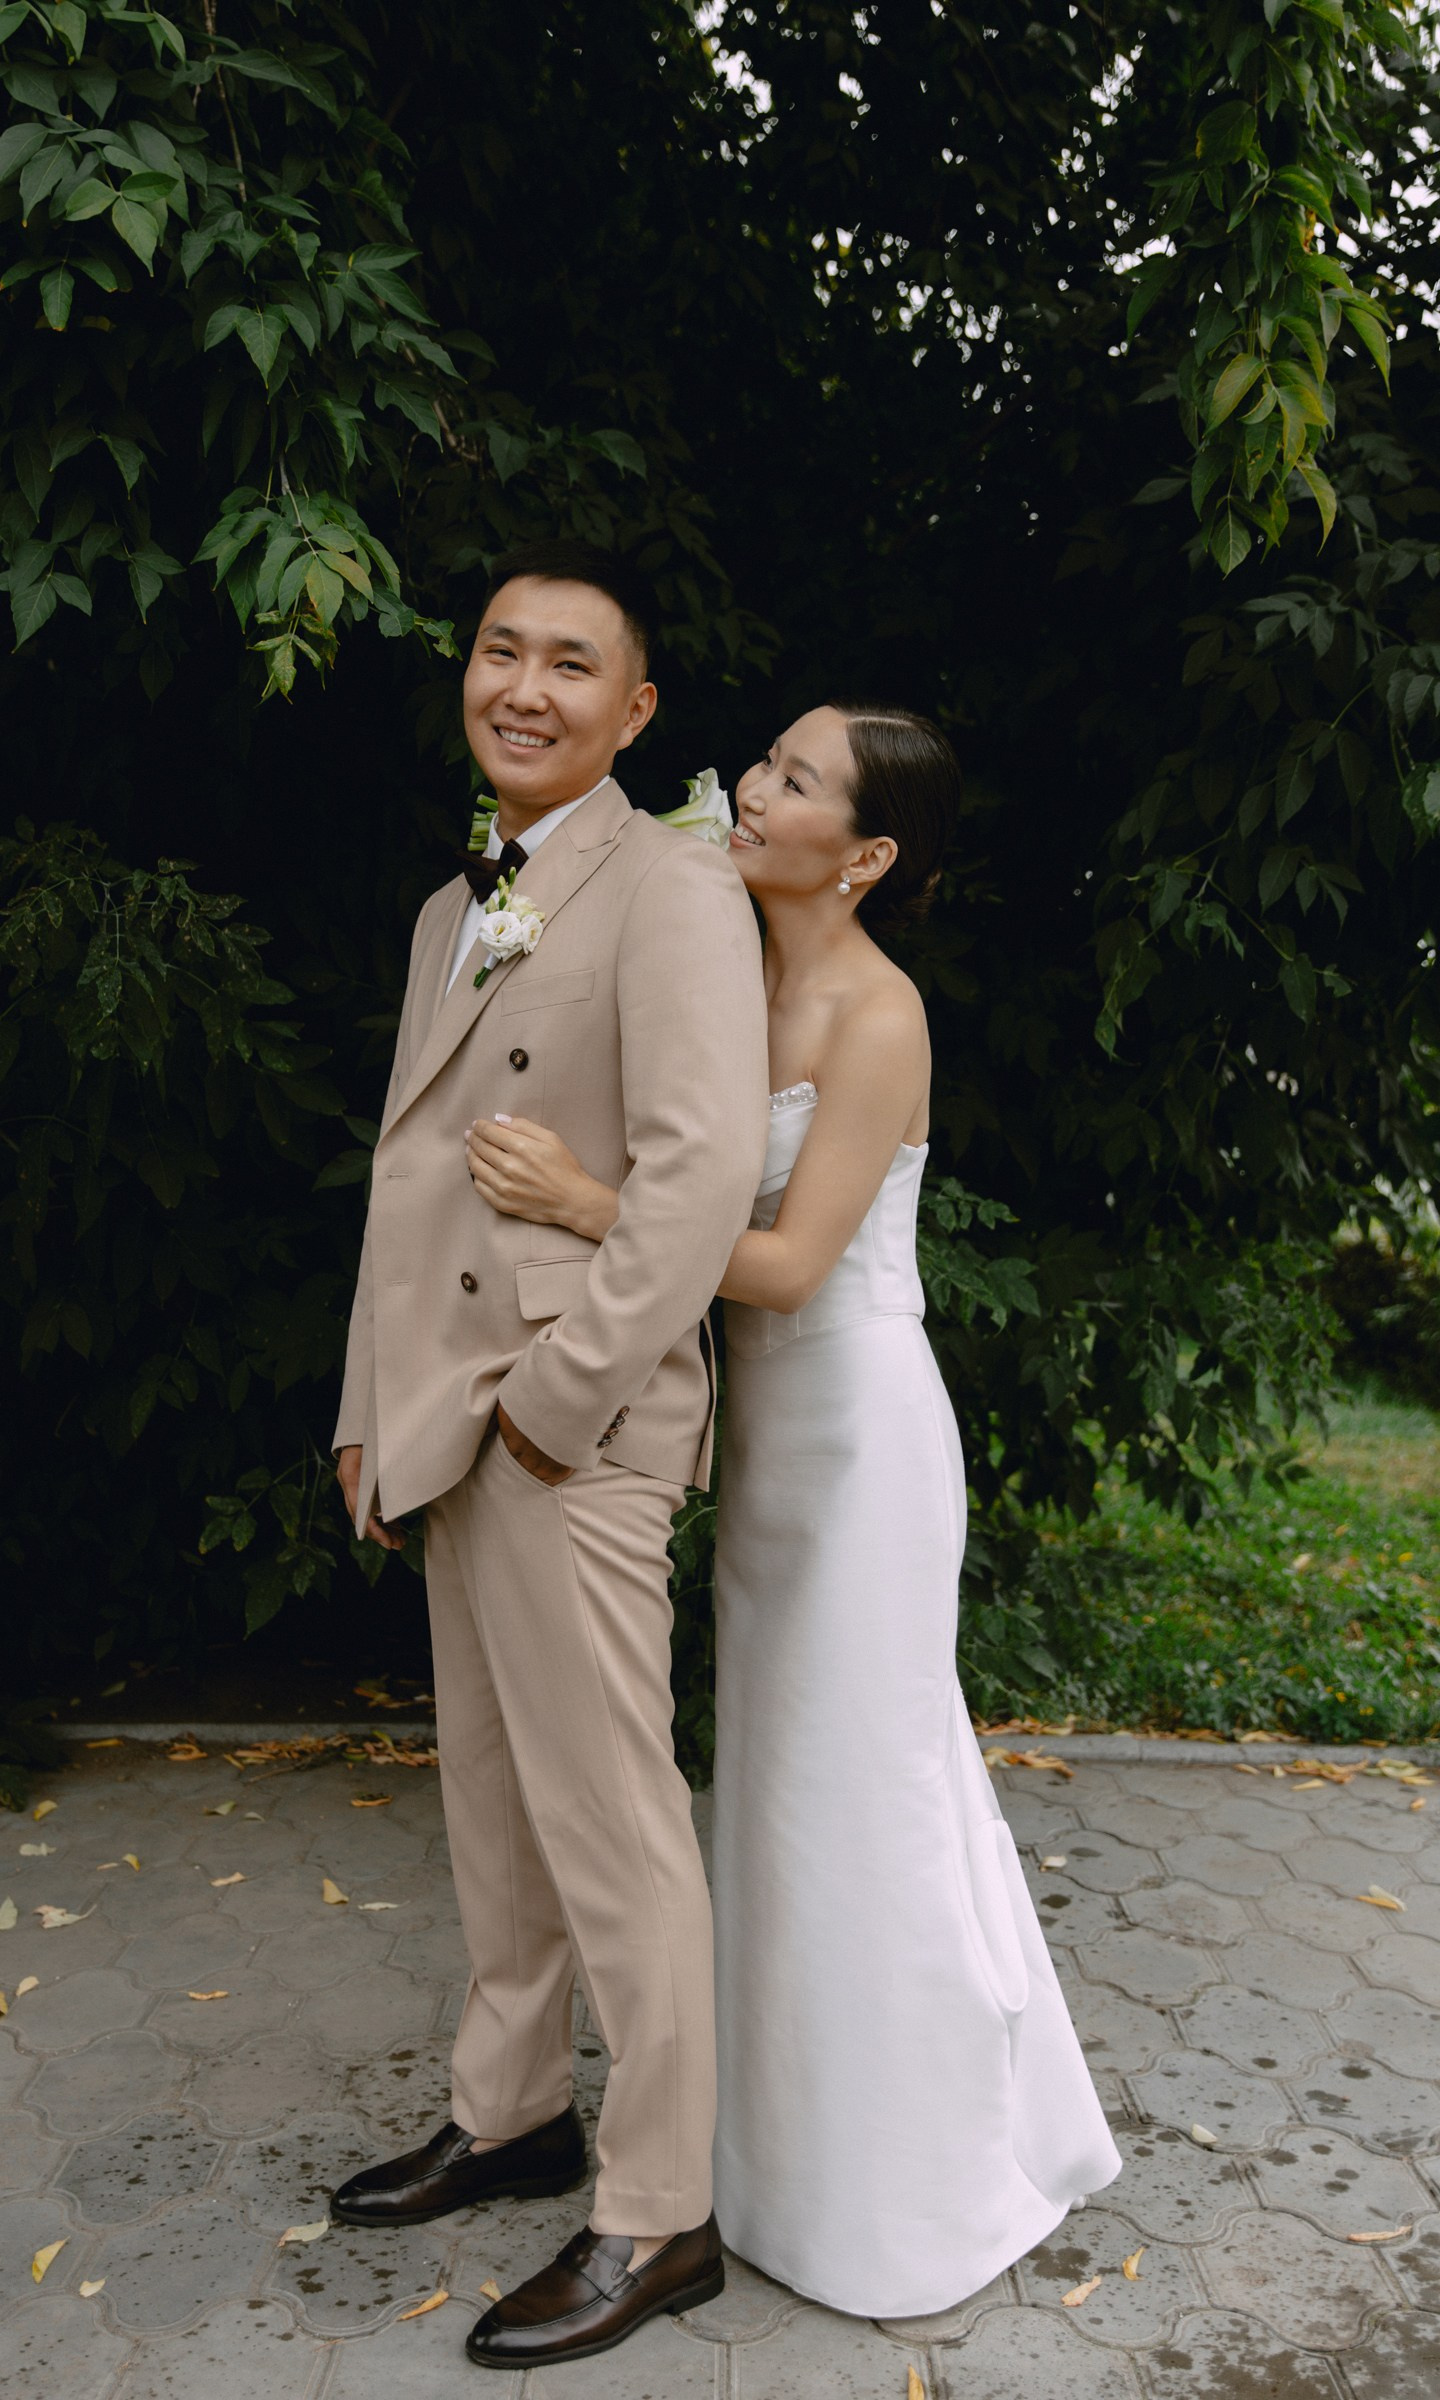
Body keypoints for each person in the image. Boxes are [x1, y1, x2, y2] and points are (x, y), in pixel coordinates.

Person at [464, 700, 1123, 2318]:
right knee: (773, 1796)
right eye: (765, 763)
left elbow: (782, 1263)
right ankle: (763, 2163)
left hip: (861, 1443)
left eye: (798, 782)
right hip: (763, 1446)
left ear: (869, 853)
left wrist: (590, 1205)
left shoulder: (876, 1013)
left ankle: (905, 2186)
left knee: (861, 1791)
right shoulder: (731, 972)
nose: (752, 791)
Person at [328, 539, 769, 2368]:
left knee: (612, 1825)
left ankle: (661, 2213)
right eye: (500, 650)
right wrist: (372, 1407)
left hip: (567, 1424)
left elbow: (696, 1179)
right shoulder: (458, 904)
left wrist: (551, 1405)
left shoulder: (674, 888)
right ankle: (510, 2115)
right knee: (494, 1801)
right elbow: (406, 1178)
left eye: (570, 663)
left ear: (634, 709)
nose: (524, 686)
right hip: (449, 1414)